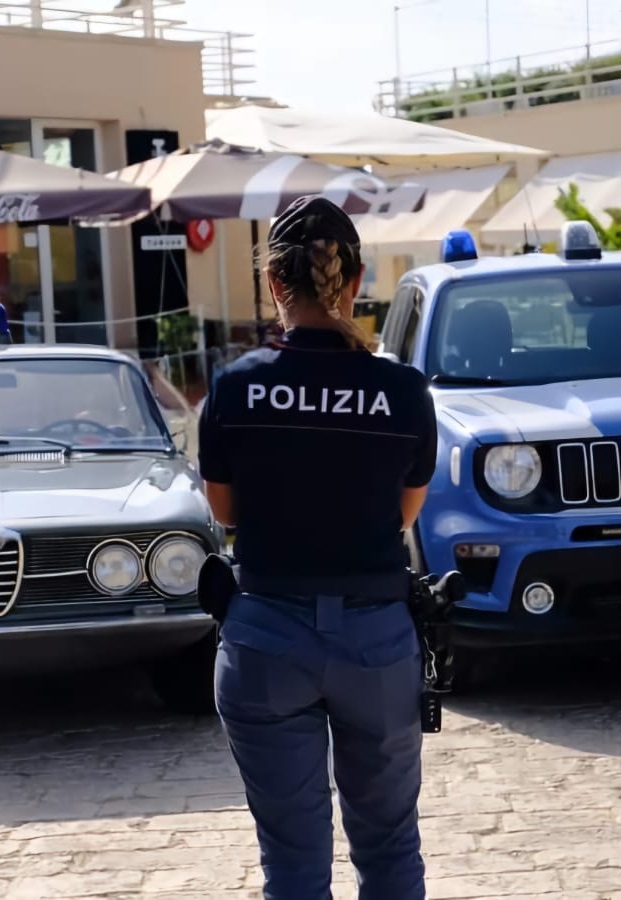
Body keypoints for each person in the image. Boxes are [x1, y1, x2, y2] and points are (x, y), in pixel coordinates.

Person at [198, 196, 436, 899]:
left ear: (274, 283)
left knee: (293, 867)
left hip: (267, 634)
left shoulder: (236, 388)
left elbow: (225, 510)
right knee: (391, 848)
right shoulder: (402, 391)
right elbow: (404, 513)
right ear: (356, 279)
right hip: (376, 640)